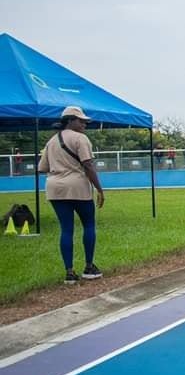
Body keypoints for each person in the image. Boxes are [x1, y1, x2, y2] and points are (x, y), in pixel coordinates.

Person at [37, 106, 106, 284]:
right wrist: (99, 188)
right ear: (70, 121)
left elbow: (42, 168)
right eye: (81, 121)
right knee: (89, 225)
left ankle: (69, 272)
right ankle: (89, 267)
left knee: (66, 229)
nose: (84, 124)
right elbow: (88, 165)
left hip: (55, 188)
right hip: (77, 187)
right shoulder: (80, 139)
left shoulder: (51, 141)